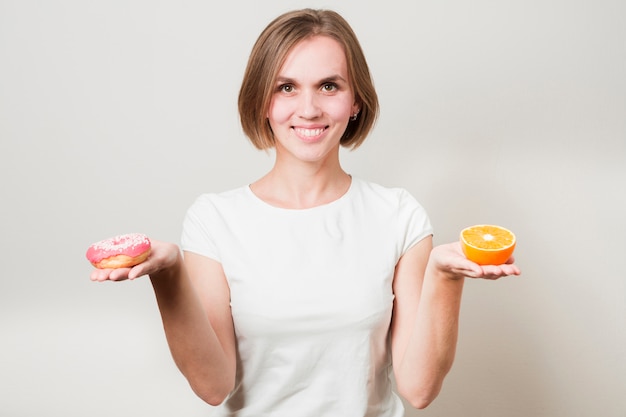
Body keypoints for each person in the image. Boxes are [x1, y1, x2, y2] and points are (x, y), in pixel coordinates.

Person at [90, 8, 521, 416]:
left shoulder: (399, 215)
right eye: (286, 87)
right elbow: (213, 385)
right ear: (262, 101)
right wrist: (168, 275)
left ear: (355, 101)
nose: (309, 108)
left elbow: (419, 389)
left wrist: (444, 278)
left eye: (329, 86)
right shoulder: (214, 220)